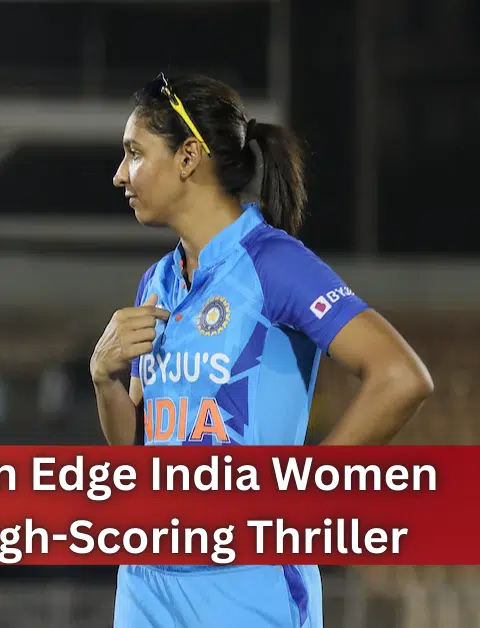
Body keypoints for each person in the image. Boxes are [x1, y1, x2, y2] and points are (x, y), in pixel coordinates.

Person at [90, 73, 434, 628]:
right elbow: (138, 457)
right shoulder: (156, 282)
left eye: (134, 153)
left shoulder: (273, 263)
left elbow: (401, 376)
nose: (119, 175)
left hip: (247, 584)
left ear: (188, 158)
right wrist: (104, 378)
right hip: (146, 583)